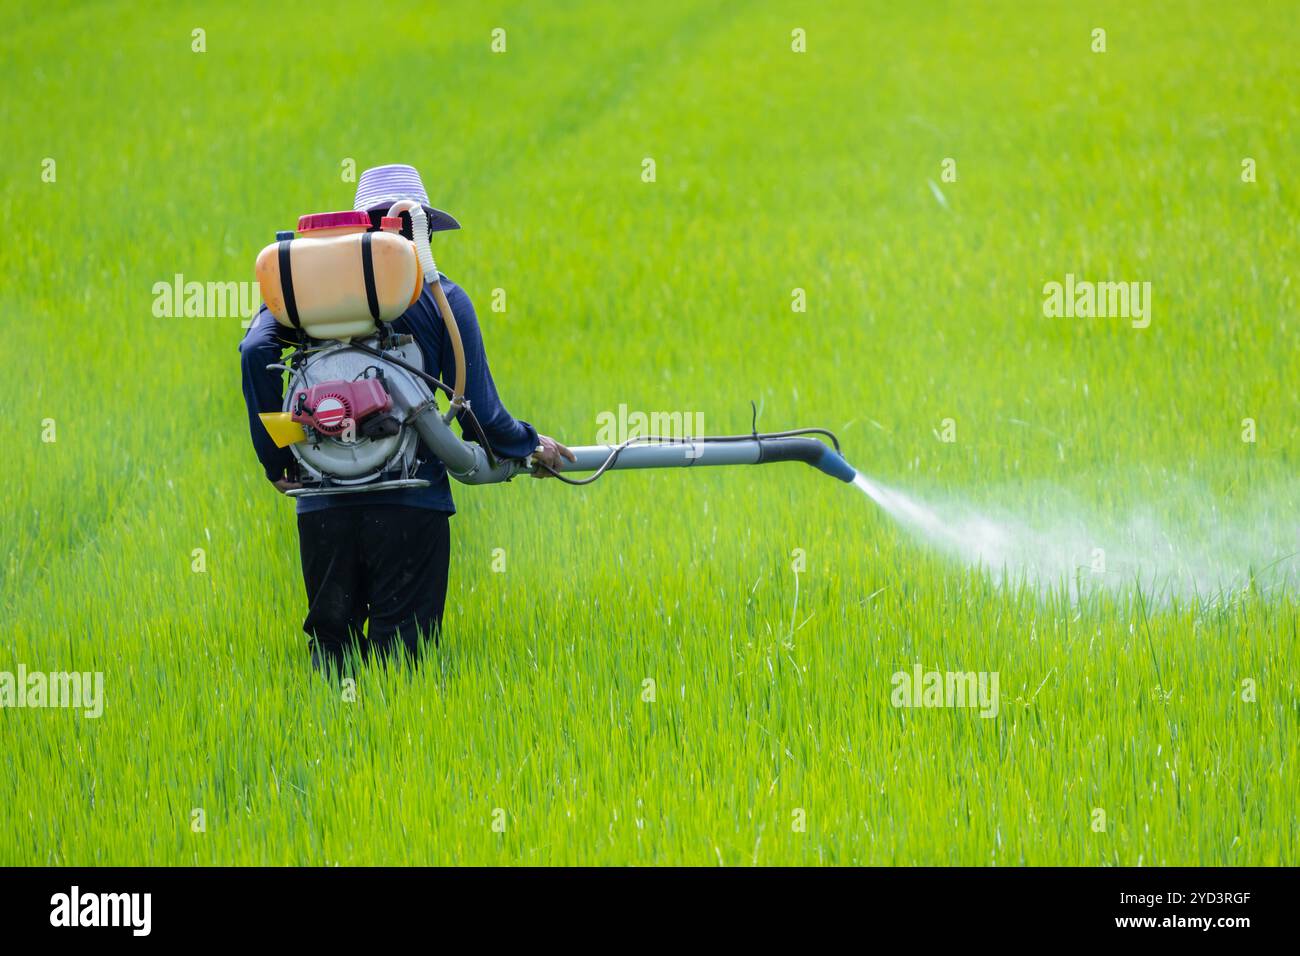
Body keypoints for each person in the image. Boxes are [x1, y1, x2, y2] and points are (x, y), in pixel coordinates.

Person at [239, 163, 573, 671]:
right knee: (402, 668)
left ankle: (331, 745)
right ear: (422, 229)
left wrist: (278, 460)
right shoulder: (440, 295)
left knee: (333, 660)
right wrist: (525, 445)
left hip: (323, 502)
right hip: (411, 500)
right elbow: (479, 414)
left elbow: (253, 350)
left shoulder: (306, 293)